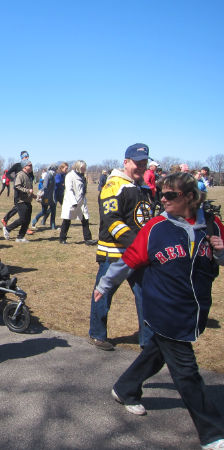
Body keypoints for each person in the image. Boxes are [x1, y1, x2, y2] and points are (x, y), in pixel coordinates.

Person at [93, 172, 224, 449]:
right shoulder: (155, 228)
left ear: (190, 196)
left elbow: (218, 261)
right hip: (163, 308)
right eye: (161, 194)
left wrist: (221, 251)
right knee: (186, 372)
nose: (162, 199)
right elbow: (128, 261)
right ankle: (213, 433)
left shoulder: (212, 225)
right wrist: (104, 284)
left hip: (194, 308)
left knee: (156, 352)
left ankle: (125, 389)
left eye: (170, 195)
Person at [89, 143, 153, 351]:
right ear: (126, 162)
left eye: (144, 163)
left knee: (146, 296)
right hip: (114, 254)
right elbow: (112, 220)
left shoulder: (144, 188)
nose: (141, 167)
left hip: (141, 254)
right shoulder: (113, 185)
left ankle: (148, 341)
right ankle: (97, 334)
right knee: (103, 294)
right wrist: (137, 244)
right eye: (137, 163)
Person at [59, 160, 96, 245]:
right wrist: (73, 202)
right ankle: (62, 238)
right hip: (72, 202)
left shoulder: (82, 176)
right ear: (78, 167)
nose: (84, 169)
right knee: (67, 220)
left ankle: (88, 239)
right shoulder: (70, 176)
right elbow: (69, 189)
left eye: (84, 168)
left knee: (85, 220)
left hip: (81, 202)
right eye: (82, 168)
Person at [3, 160, 34, 243]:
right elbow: (17, 186)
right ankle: (7, 228)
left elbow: (29, 190)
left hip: (28, 200)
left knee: (27, 220)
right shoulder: (20, 175)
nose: (31, 167)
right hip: (21, 200)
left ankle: (20, 237)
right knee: (22, 219)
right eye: (29, 165)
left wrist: (35, 196)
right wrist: (28, 191)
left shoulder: (28, 176)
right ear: (24, 167)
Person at [2, 150, 31, 227]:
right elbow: (8, 173)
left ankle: (6, 219)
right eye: (25, 156)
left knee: (22, 207)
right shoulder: (17, 165)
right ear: (21, 157)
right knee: (20, 207)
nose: (27, 158)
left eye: (28, 156)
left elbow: (31, 176)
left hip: (26, 191)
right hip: (18, 190)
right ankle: (23, 224)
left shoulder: (29, 166)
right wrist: (13, 180)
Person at [31, 164, 57, 230]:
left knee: (53, 210)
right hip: (46, 198)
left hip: (52, 197)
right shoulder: (48, 176)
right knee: (44, 211)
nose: (56, 171)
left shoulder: (53, 176)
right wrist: (41, 195)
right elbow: (45, 186)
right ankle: (34, 220)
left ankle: (53, 225)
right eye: (55, 170)